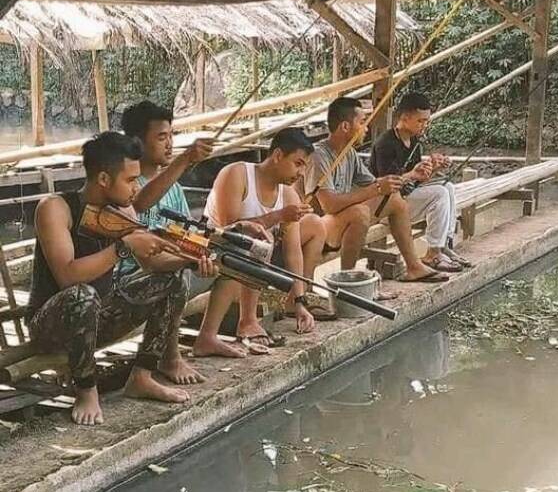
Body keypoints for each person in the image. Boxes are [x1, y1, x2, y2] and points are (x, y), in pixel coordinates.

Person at [26, 132, 217, 426]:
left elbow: (152, 263)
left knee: (174, 279)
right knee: (82, 295)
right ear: (104, 178)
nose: (135, 188)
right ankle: (86, 390)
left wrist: (191, 261)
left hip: (101, 316)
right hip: (52, 327)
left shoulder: (122, 210)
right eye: (130, 180)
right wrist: (123, 247)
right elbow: (67, 276)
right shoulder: (55, 208)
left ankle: (142, 376)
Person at [121, 100, 250, 359]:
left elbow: (187, 236)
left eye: (171, 136)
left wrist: (226, 235)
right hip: (135, 279)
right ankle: (169, 358)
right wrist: (185, 159)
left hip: (173, 266)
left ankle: (207, 338)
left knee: (233, 256)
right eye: (161, 137)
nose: (169, 144)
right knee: (179, 274)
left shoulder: (176, 189)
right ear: (137, 142)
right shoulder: (126, 184)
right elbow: (139, 203)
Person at [202, 128, 330, 349]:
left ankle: (292, 303)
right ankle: (248, 321)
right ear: (278, 155)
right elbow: (229, 230)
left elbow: (292, 252)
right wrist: (278, 216)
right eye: (298, 163)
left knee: (314, 224)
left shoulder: (288, 194)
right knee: (257, 242)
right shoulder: (237, 174)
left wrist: (299, 300)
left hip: (257, 263)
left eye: (304, 167)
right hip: (214, 257)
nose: (301, 173)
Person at [304, 97, 448, 283]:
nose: (366, 128)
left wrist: (412, 175)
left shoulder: (349, 153)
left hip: (341, 220)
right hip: (319, 229)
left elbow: (377, 184)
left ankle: (414, 267)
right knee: (359, 212)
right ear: (345, 126)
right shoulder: (319, 155)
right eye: (362, 122)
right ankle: (349, 279)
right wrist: (377, 188)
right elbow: (329, 205)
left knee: (394, 199)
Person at [370, 92, 470, 271]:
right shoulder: (385, 143)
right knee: (439, 193)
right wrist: (413, 174)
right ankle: (432, 254)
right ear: (405, 118)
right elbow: (387, 185)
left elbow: (416, 181)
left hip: (405, 199)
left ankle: (443, 245)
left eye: (426, 121)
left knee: (447, 186)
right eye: (420, 121)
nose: (425, 125)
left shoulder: (414, 140)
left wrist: (434, 168)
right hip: (385, 208)